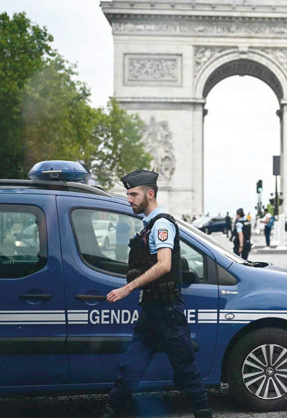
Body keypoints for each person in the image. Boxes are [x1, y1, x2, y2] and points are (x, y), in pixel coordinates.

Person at [101, 170, 211, 418]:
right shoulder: (149, 225)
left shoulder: (161, 225)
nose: (128, 199)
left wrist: (127, 288)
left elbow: (164, 264)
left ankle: (203, 411)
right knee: (131, 366)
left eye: (133, 194)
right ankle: (113, 409)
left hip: (167, 309)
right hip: (152, 307)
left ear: (150, 194)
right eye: (128, 194)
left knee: (185, 367)